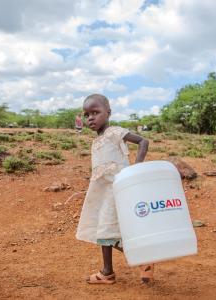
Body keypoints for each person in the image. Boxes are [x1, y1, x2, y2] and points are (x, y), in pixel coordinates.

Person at [76, 94, 153, 284]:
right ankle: (108, 272)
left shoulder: (114, 132)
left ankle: (143, 259)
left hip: (117, 191)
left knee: (107, 231)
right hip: (102, 193)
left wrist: (136, 169)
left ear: (108, 113)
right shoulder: (97, 140)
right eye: (87, 115)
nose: (91, 118)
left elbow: (143, 142)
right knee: (106, 231)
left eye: (96, 112)